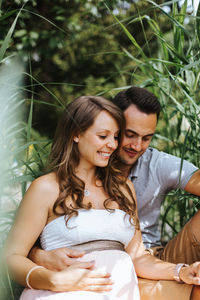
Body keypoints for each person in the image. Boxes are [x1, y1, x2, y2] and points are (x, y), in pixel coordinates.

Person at [4, 95, 200, 300]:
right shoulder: (46, 188)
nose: (112, 145)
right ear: (76, 133)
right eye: (103, 136)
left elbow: (138, 257)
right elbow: (11, 257)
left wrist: (181, 271)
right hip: (63, 293)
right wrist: (53, 279)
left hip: (117, 292)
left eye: (115, 136)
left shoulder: (123, 188)